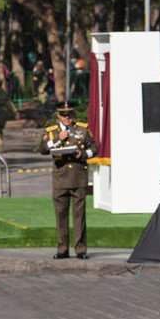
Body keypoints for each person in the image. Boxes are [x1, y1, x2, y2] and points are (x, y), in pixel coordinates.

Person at [36, 100, 98, 259]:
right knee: (61, 215)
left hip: (78, 176)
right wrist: (58, 138)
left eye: (69, 114)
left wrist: (83, 155)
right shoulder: (51, 131)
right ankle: (62, 249)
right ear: (58, 115)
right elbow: (42, 149)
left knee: (79, 215)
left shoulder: (82, 129)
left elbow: (94, 148)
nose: (67, 118)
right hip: (60, 177)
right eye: (63, 115)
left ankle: (80, 249)